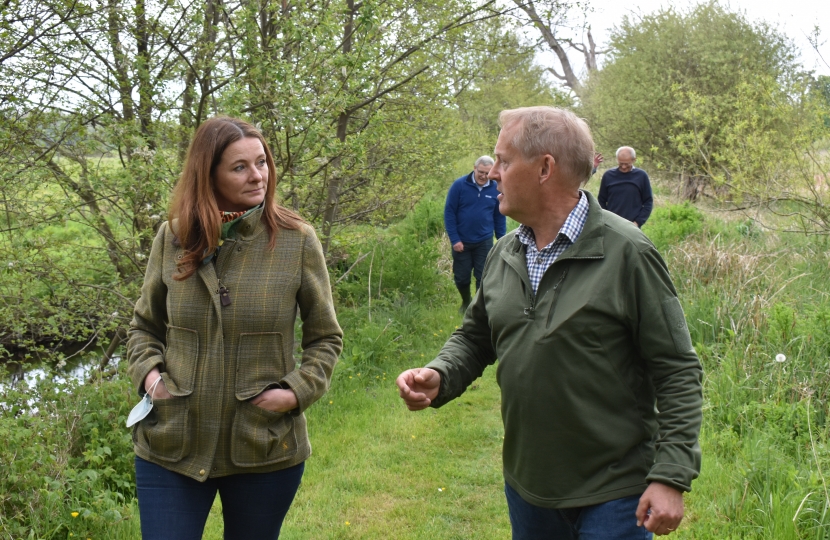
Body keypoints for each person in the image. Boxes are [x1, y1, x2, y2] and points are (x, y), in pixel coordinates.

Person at [397, 107, 702, 539]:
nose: (495, 173)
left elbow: (677, 369)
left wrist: (670, 474)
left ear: (544, 168)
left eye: (504, 161)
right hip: (529, 486)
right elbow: (476, 335)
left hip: (615, 490)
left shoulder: (627, 252)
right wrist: (440, 373)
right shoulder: (505, 253)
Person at [127, 117, 343, 540]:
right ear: (208, 174)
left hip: (262, 443)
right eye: (240, 167)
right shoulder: (172, 238)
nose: (257, 175)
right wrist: (151, 379)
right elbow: (143, 326)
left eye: (262, 162)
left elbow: (325, 338)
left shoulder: (297, 240)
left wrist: (295, 392)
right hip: (172, 441)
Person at [444, 156, 506, 312]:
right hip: (462, 242)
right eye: (481, 172)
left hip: (484, 241)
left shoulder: (496, 188)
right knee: (462, 278)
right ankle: (466, 302)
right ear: (474, 168)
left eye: (487, 173)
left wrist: (501, 240)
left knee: (482, 277)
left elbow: (499, 216)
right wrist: (455, 239)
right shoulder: (459, 185)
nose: (483, 176)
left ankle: (477, 308)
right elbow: (449, 213)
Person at [598, 146, 653, 227]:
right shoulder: (608, 176)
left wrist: (637, 222)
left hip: (632, 226)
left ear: (634, 160)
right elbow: (601, 200)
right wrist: (607, 220)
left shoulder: (641, 176)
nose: (623, 167)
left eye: (627, 164)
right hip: (611, 225)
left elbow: (648, 202)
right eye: (621, 163)